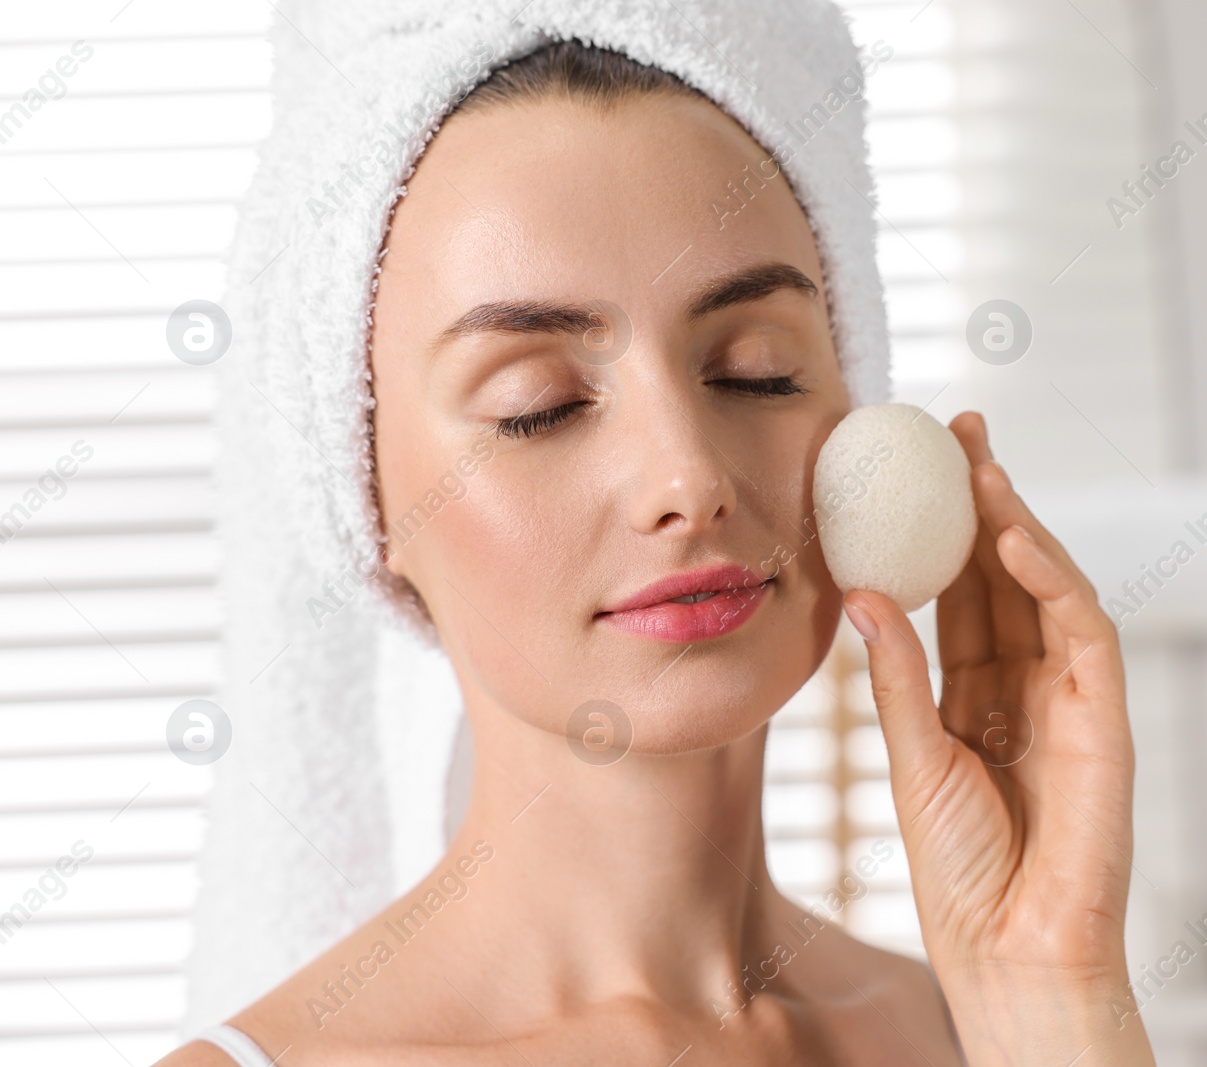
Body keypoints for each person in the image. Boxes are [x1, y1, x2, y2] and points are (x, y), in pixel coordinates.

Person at [160, 36, 1155, 1067]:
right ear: (365, 494)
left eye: (755, 370)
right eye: (537, 406)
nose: (689, 477)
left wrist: (1054, 992)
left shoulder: (980, 1025)